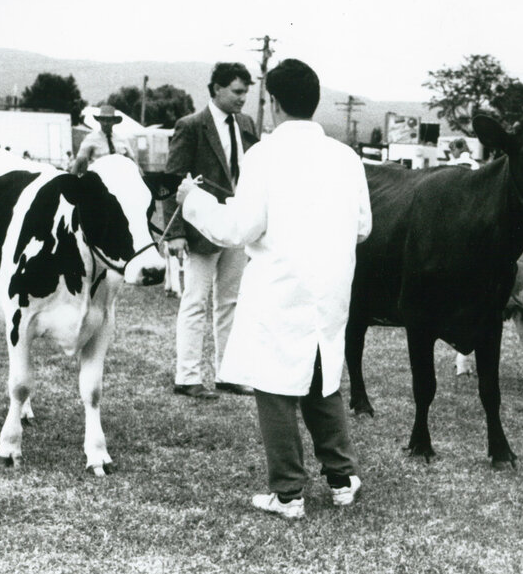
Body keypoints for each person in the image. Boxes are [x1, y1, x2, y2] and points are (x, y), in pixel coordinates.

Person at [175, 58, 371, 518]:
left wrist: (194, 200)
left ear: (274, 103)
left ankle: (288, 493)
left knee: (276, 384)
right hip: (330, 285)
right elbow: (363, 226)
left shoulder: (263, 154)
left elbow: (239, 228)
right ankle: (342, 477)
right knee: (322, 377)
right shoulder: (347, 157)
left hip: (281, 282)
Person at [162, 62, 259, 399]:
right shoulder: (190, 126)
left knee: (231, 302)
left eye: (246, 91)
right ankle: (187, 377)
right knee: (195, 302)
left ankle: (228, 373)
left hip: (237, 225)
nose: (243, 98)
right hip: (201, 228)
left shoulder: (246, 124)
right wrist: (174, 232)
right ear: (216, 89)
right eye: (237, 91)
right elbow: (173, 179)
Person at [70, 105, 135, 175]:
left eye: (108, 120)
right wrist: (71, 180)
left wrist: (142, 177)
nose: (105, 123)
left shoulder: (122, 139)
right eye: (103, 120)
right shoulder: (91, 138)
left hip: (119, 176)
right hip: (98, 179)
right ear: (99, 121)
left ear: (114, 121)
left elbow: (132, 160)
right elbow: (80, 160)